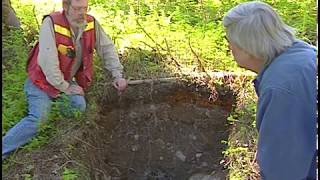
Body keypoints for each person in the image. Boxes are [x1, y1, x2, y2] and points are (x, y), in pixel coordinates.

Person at [2, 0, 128, 159]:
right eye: (76, 9)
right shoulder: (52, 23)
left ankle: (52, 112)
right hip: (41, 82)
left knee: (78, 107)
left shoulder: (90, 23)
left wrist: (117, 74)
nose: (81, 12)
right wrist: (65, 87)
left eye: (84, 8)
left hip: (65, 79)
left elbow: (107, 48)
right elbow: (48, 62)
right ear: (66, 7)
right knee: (39, 119)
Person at [223, 1, 316, 180]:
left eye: (230, 40)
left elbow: (285, 169)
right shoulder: (304, 55)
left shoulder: (280, 89)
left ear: (248, 47)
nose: (230, 47)